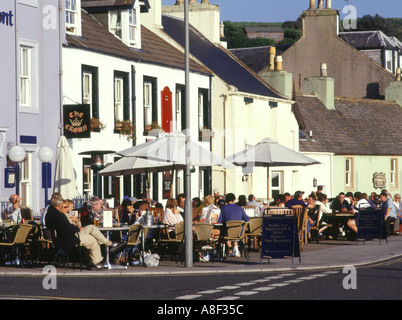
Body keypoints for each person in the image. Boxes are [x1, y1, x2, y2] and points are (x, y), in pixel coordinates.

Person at [45, 193, 125, 269]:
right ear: (59, 205)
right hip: (69, 238)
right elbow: (68, 228)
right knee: (93, 239)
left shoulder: (50, 213)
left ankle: (108, 244)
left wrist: (75, 225)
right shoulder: (58, 215)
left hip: (66, 236)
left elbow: (66, 227)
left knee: (92, 227)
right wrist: (77, 228)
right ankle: (97, 262)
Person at [218, 193, 250, 257]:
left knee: (226, 230)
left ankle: (230, 250)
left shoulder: (223, 208)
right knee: (234, 228)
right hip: (239, 233)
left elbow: (220, 221)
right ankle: (236, 248)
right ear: (234, 200)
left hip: (228, 233)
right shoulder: (239, 208)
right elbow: (247, 219)